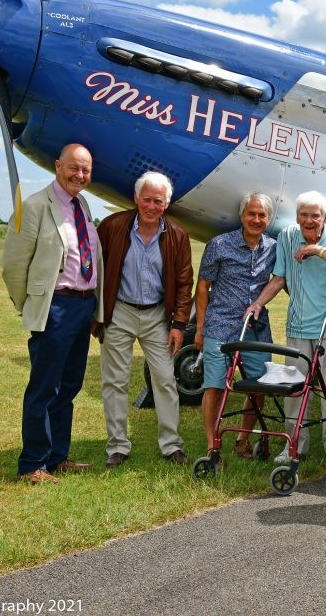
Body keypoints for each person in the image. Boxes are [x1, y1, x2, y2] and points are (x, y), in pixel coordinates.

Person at [1, 143, 104, 484]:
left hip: (83, 305)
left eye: (86, 170)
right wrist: (31, 303)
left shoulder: (83, 205)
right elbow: (14, 266)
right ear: (58, 166)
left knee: (69, 386)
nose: (80, 175)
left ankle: (58, 457)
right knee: (45, 386)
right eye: (74, 168)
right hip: (56, 306)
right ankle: (32, 464)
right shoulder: (33, 206)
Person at [94, 171, 194, 468]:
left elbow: (184, 282)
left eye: (158, 201)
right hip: (120, 312)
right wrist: (97, 315)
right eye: (147, 200)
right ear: (136, 199)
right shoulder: (112, 226)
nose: (151, 206)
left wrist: (178, 324)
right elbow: (96, 270)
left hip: (156, 316)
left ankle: (171, 444)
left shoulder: (177, 234)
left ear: (167, 204)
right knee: (115, 381)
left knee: (165, 379)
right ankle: (117, 446)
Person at [245, 191, 326, 474]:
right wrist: (257, 303)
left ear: (325, 218)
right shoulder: (289, 236)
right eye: (303, 215)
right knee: (293, 391)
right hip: (297, 327)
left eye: (315, 216)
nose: (309, 221)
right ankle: (293, 446)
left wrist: (318, 251)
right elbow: (279, 278)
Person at [195, 192, 277, 455]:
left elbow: (281, 279)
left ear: (269, 219)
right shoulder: (219, 245)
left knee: (258, 386)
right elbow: (203, 286)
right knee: (215, 387)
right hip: (220, 325)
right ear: (241, 216)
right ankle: (211, 444)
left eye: (262, 215)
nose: (256, 219)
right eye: (251, 214)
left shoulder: (274, 248)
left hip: (255, 328)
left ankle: (243, 439)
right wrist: (199, 329)